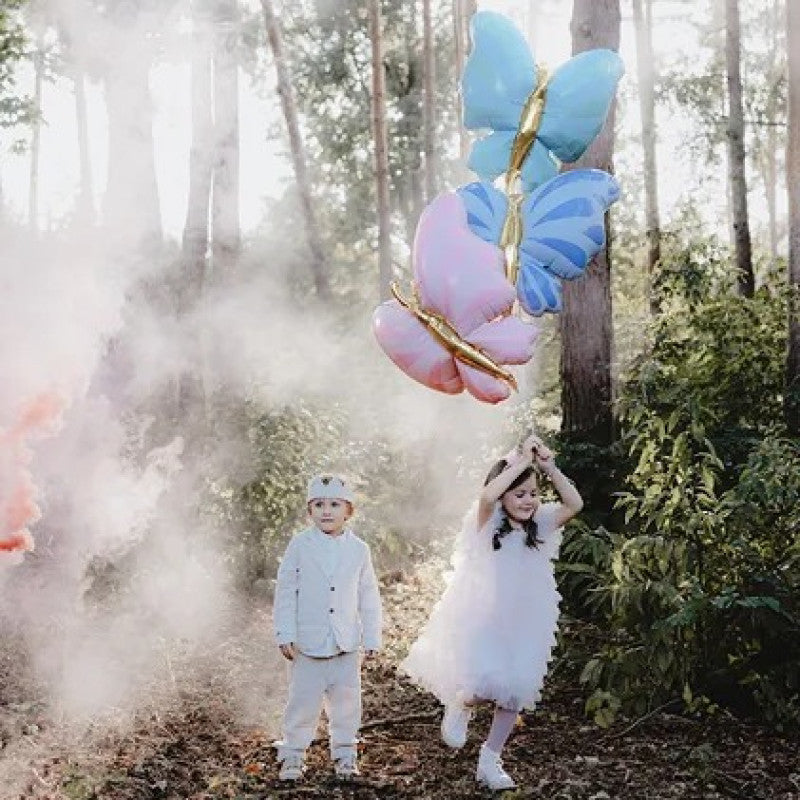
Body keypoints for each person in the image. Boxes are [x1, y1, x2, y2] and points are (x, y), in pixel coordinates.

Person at [401, 434, 583, 790]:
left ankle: (490, 759)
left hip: (527, 620)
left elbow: (574, 503)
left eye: (533, 493)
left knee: (515, 690)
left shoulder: (542, 524)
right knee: (485, 683)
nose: (528, 500)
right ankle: (462, 703)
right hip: (487, 617)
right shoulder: (486, 522)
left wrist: (548, 467)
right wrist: (519, 461)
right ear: (503, 496)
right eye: (519, 494)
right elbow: (486, 496)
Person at [273, 474, 382, 781]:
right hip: (308, 643)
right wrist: (285, 632)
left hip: (344, 643)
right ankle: (293, 754)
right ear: (310, 510)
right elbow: (286, 590)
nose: (326, 511)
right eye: (319, 504)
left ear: (348, 510)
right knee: (302, 702)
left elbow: (368, 595)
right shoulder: (300, 545)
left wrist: (372, 636)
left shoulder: (359, 549)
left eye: (334, 504)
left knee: (347, 704)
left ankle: (345, 753)